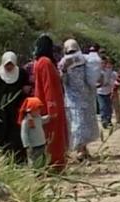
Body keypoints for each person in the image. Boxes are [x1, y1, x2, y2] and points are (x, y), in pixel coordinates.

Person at [58, 39, 101, 161]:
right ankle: (80, 150)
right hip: (77, 99)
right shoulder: (80, 60)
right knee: (79, 125)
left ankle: (83, 149)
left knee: (82, 125)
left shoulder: (81, 60)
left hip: (79, 98)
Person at [0, 51, 30, 164]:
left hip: (17, 110)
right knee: (2, 135)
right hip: (1, 111)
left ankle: (19, 161)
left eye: (11, 64)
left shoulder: (21, 73)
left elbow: (27, 88)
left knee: (17, 135)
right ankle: (5, 159)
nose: (9, 67)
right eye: (7, 64)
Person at [33, 34, 68, 171]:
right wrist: (52, 108)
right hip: (50, 105)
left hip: (44, 104)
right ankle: (55, 164)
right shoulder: (45, 63)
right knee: (54, 136)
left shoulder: (40, 62)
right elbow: (48, 86)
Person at [18, 97, 49, 169]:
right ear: (31, 110)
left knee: (42, 158)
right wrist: (26, 145)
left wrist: (49, 117)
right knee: (33, 160)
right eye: (37, 109)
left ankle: (41, 171)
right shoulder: (26, 122)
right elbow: (24, 133)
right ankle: (33, 173)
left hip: (41, 143)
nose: (39, 111)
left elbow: (42, 120)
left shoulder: (38, 117)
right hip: (33, 146)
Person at [97, 56, 114, 128]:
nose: (103, 64)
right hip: (100, 92)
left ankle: (109, 120)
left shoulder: (108, 71)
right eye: (102, 63)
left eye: (104, 63)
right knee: (103, 106)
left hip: (108, 91)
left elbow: (111, 79)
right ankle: (104, 120)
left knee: (109, 107)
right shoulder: (97, 72)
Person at [108, 58, 120, 124]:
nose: (109, 65)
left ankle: (118, 119)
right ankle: (108, 119)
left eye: (110, 64)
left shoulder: (114, 73)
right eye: (108, 64)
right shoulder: (104, 72)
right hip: (107, 91)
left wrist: (116, 88)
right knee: (108, 106)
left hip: (114, 90)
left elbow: (118, 81)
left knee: (116, 105)